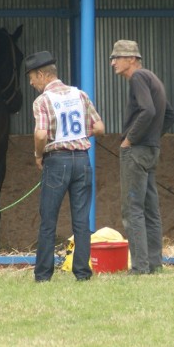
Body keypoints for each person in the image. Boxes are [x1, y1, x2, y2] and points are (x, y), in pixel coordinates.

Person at [26, 50, 105, 282]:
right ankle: (82, 273)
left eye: (31, 77)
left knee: (48, 219)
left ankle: (43, 275)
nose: (31, 82)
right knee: (81, 220)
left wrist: (38, 155)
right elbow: (99, 128)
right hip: (82, 159)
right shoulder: (80, 95)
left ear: (42, 75)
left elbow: (41, 134)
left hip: (56, 160)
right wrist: (79, 135)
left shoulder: (42, 101)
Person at [111, 40, 174, 274]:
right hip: (151, 151)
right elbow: (169, 114)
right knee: (151, 210)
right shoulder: (153, 78)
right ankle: (155, 264)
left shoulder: (138, 78)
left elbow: (148, 110)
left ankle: (139, 268)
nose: (112, 63)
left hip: (136, 151)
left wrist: (130, 139)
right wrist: (153, 137)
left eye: (117, 57)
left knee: (132, 210)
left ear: (131, 59)